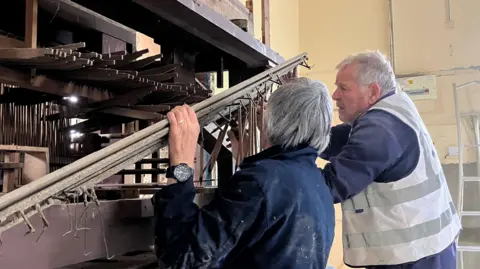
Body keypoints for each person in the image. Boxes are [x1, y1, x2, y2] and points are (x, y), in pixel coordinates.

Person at [153, 78, 335, 269]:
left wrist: (181, 166)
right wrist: (253, 163)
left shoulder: (262, 182)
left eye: (266, 111)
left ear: (274, 120)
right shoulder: (318, 185)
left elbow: (182, 261)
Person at [320, 50, 462, 269]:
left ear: (373, 92)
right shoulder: (391, 109)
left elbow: (331, 185)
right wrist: (293, 133)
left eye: (344, 88)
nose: (335, 95)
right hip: (426, 247)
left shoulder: (380, 129)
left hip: (414, 256)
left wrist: (276, 178)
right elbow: (339, 140)